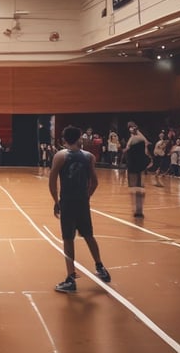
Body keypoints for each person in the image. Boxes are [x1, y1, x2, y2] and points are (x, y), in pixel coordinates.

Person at [49, 125, 111, 293]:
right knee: (89, 235)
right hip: (82, 202)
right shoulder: (89, 156)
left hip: (67, 202)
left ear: (63, 139)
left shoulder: (60, 156)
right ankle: (101, 267)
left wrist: (56, 201)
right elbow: (95, 182)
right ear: (79, 138)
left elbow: (52, 181)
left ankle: (70, 279)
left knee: (68, 239)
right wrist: (86, 197)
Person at [123, 121, 152, 218]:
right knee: (139, 187)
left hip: (133, 164)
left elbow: (127, 149)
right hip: (140, 164)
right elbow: (146, 147)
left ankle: (136, 209)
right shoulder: (142, 139)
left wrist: (124, 150)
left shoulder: (133, 139)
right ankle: (139, 209)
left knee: (134, 188)